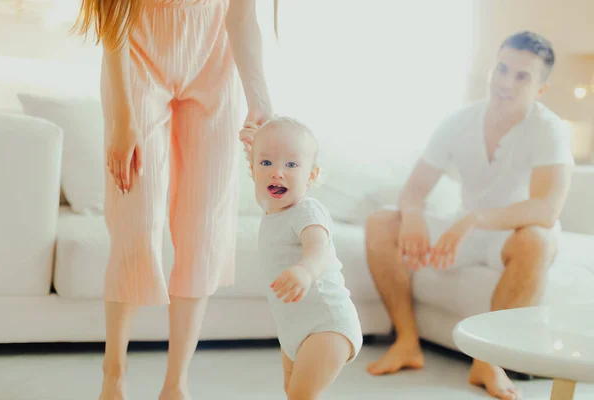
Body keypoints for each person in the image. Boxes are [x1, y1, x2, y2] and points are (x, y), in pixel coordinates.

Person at [71, 1, 274, 399]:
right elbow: (114, 18)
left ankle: (176, 385)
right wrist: (123, 120)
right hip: (137, 58)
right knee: (136, 222)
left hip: (215, 62)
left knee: (204, 230)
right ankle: (114, 376)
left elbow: (242, 16)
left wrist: (260, 99)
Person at [364, 31, 573, 400]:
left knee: (538, 238)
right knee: (383, 220)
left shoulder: (550, 129)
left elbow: (546, 208)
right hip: (467, 227)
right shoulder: (459, 120)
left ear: (541, 88)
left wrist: (474, 219)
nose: (506, 82)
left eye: (522, 76)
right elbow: (414, 190)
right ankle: (407, 341)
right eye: (502, 68)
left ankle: (487, 362)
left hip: (514, 234)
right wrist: (412, 215)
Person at [247, 117, 363, 399]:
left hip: (327, 324)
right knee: (293, 392)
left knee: (302, 395)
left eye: (291, 165)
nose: (277, 173)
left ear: (311, 176)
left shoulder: (306, 211)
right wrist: (253, 139)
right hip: (293, 329)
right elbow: (259, 152)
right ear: (252, 170)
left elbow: (318, 249)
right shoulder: (271, 209)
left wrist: (305, 271)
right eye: (266, 164)